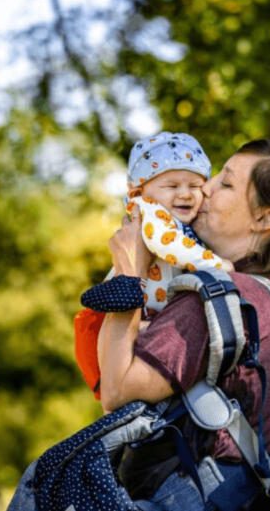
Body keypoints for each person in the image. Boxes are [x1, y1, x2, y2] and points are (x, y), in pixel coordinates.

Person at [99, 139, 270, 510]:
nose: (203, 188)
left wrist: (128, 275)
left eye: (224, 183)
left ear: (266, 217)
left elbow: (116, 390)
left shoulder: (218, 301)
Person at [74, 132, 231, 399]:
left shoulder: (181, 221)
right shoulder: (149, 212)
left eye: (195, 186)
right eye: (172, 186)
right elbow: (167, 244)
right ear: (139, 191)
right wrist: (216, 264)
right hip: (132, 308)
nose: (185, 194)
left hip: (150, 311)